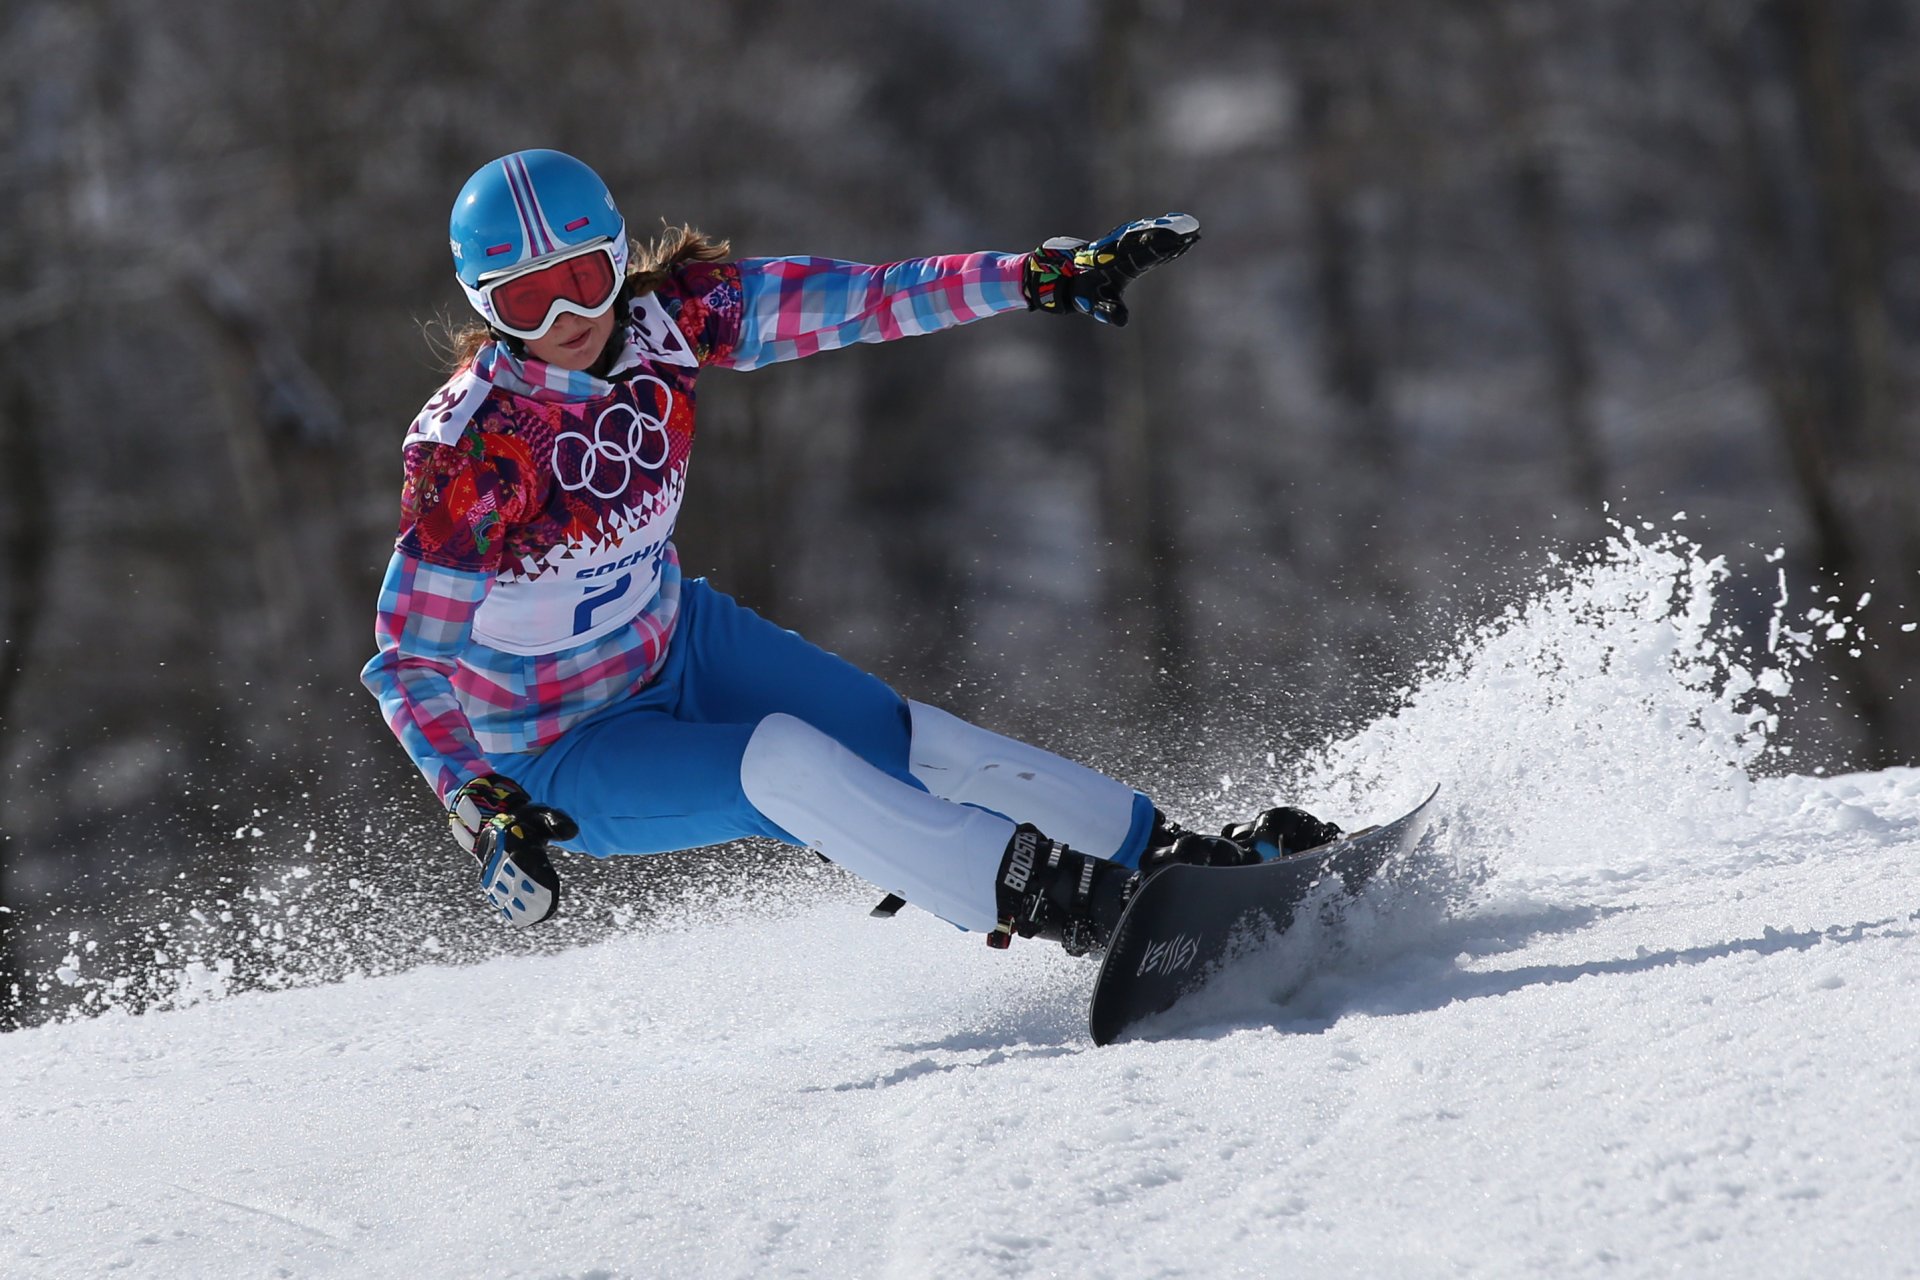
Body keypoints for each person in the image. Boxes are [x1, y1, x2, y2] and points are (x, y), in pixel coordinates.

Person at [361, 148, 1342, 956]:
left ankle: (1178, 860)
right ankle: (1085, 906)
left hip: (679, 643)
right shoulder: (475, 449)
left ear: (617, 259)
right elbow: (408, 660)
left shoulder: (674, 321)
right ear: (483, 303)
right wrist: (476, 799)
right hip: (559, 743)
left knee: (917, 745)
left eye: (582, 279)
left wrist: (1042, 277)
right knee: (786, 759)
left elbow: (869, 299)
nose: (565, 318)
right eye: (525, 299)